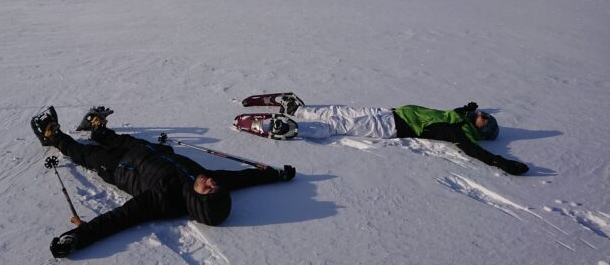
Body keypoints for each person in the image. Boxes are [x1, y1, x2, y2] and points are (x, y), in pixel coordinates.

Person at [31, 106, 296, 258]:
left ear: (200, 200)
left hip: (116, 167)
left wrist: (78, 237)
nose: (212, 181)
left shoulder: (163, 200)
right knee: (114, 137)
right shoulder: (203, 179)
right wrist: (276, 173)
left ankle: (53, 137)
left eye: (209, 188)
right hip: (144, 151)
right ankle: (97, 128)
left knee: (84, 154)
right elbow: (243, 178)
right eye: (216, 185)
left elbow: (120, 218)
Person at [271, 94, 528, 176]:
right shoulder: (457, 118)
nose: (479, 114)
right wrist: (467, 108)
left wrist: (498, 162)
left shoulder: (455, 130)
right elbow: (448, 112)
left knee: (338, 125)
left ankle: (293, 128)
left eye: (482, 117)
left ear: (481, 128)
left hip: (390, 127)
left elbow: (471, 150)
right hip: (389, 113)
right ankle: (299, 111)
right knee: (343, 111)